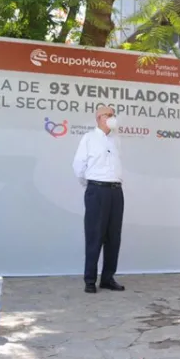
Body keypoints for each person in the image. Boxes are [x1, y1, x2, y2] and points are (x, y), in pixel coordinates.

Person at [72, 104, 125, 294]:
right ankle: (90, 279)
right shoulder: (89, 138)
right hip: (97, 190)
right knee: (95, 235)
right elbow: (79, 166)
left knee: (113, 237)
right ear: (99, 118)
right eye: (109, 115)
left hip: (115, 191)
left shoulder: (116, 139)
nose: (112, 118)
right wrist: (92, 185)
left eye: (113, 114)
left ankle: (108, 277)